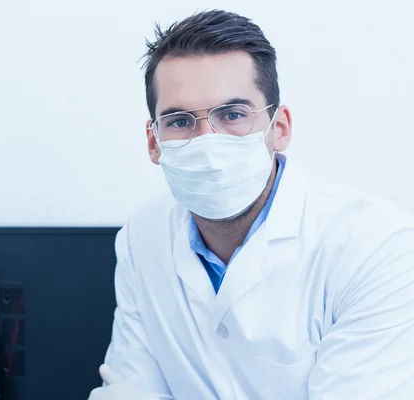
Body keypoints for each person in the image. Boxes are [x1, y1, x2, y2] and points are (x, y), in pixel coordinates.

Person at [87, 9, 414, 400]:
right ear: (154, 141)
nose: (207, 142)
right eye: (179, 121)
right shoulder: (143, 236)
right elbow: (129, 389)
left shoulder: (374, 244)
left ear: (279, 129)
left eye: (233, 115)